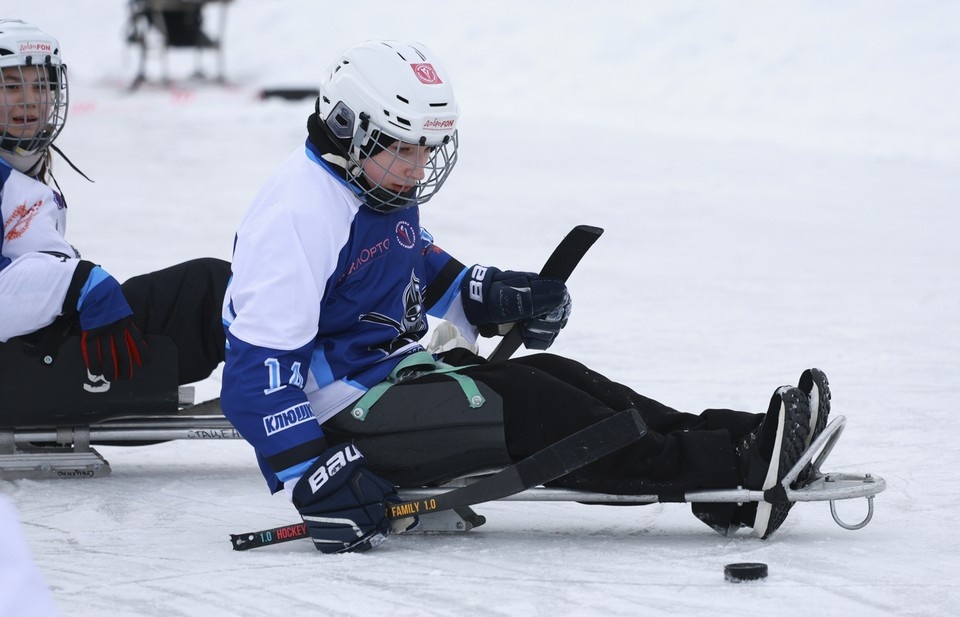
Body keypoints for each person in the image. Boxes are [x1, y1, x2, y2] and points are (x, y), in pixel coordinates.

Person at [221, 40, 833, 554]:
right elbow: (255, 379)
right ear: (348, 129)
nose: (418, 165)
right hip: (341, 417)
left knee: (560, 376)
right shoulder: (298, 215)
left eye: (427, 148)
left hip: (392, 377)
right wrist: (313, 475)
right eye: (404, 147)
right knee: (537, 409)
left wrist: (491, 293)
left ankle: (743, 442)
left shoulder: (373, 184)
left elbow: (415, 267)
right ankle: (734, 475)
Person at [0, 19, 229, 386]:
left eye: (41, 85)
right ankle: (290, 391)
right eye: (12, 86)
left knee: (219, 288)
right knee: (212, 290)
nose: (30, 100)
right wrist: (79, 283)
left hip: (46, 343)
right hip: (32, 361)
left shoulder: (22, 171)